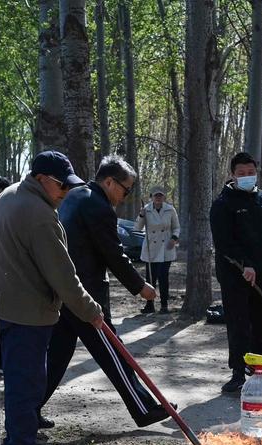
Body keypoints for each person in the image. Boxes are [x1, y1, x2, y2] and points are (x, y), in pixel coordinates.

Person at [0, 151, 99, 445]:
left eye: (69, 186)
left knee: (19, 381)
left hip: (3, 306)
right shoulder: (40, 215)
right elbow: (63, 275)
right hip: (27, 313)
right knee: (27, 384)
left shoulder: (9, 195)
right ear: (41, 179)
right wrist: (90, 310)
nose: (66, 192)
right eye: (62, 185)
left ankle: (15, 443)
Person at [39, 155, 168, 429]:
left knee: (56, 357)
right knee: (113, 352)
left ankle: (29, 411)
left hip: (63, 292)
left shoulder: (75, 196)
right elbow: (114, 255)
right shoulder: (98, 206)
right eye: (125, 189)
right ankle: (143, 408)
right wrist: (140, 287)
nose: (125, 196)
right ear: (109, 182)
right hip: (84, 296)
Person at [210, 152, 262, 394]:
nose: (246, 176)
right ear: (233, 175)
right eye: (241, 173)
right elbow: (223, 242)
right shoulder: (223, 203)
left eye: (250, 173)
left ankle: (260, 368)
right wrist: (244, 264)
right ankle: (237, 373)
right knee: (239, 323)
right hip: (235, 275)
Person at [136, 187, 181, 314]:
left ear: (164, 197)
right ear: (152, 197)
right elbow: (138, 228)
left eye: (160, 195)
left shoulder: (170, 209)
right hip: (151, 248)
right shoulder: (146, 210)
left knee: (163, 277)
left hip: (166, 247)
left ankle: (164, 305)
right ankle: (149, 304)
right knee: (150, 278)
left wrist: (174, 238)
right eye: (156, 196)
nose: (158, 198)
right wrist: (141, 215)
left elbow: (176, 227)